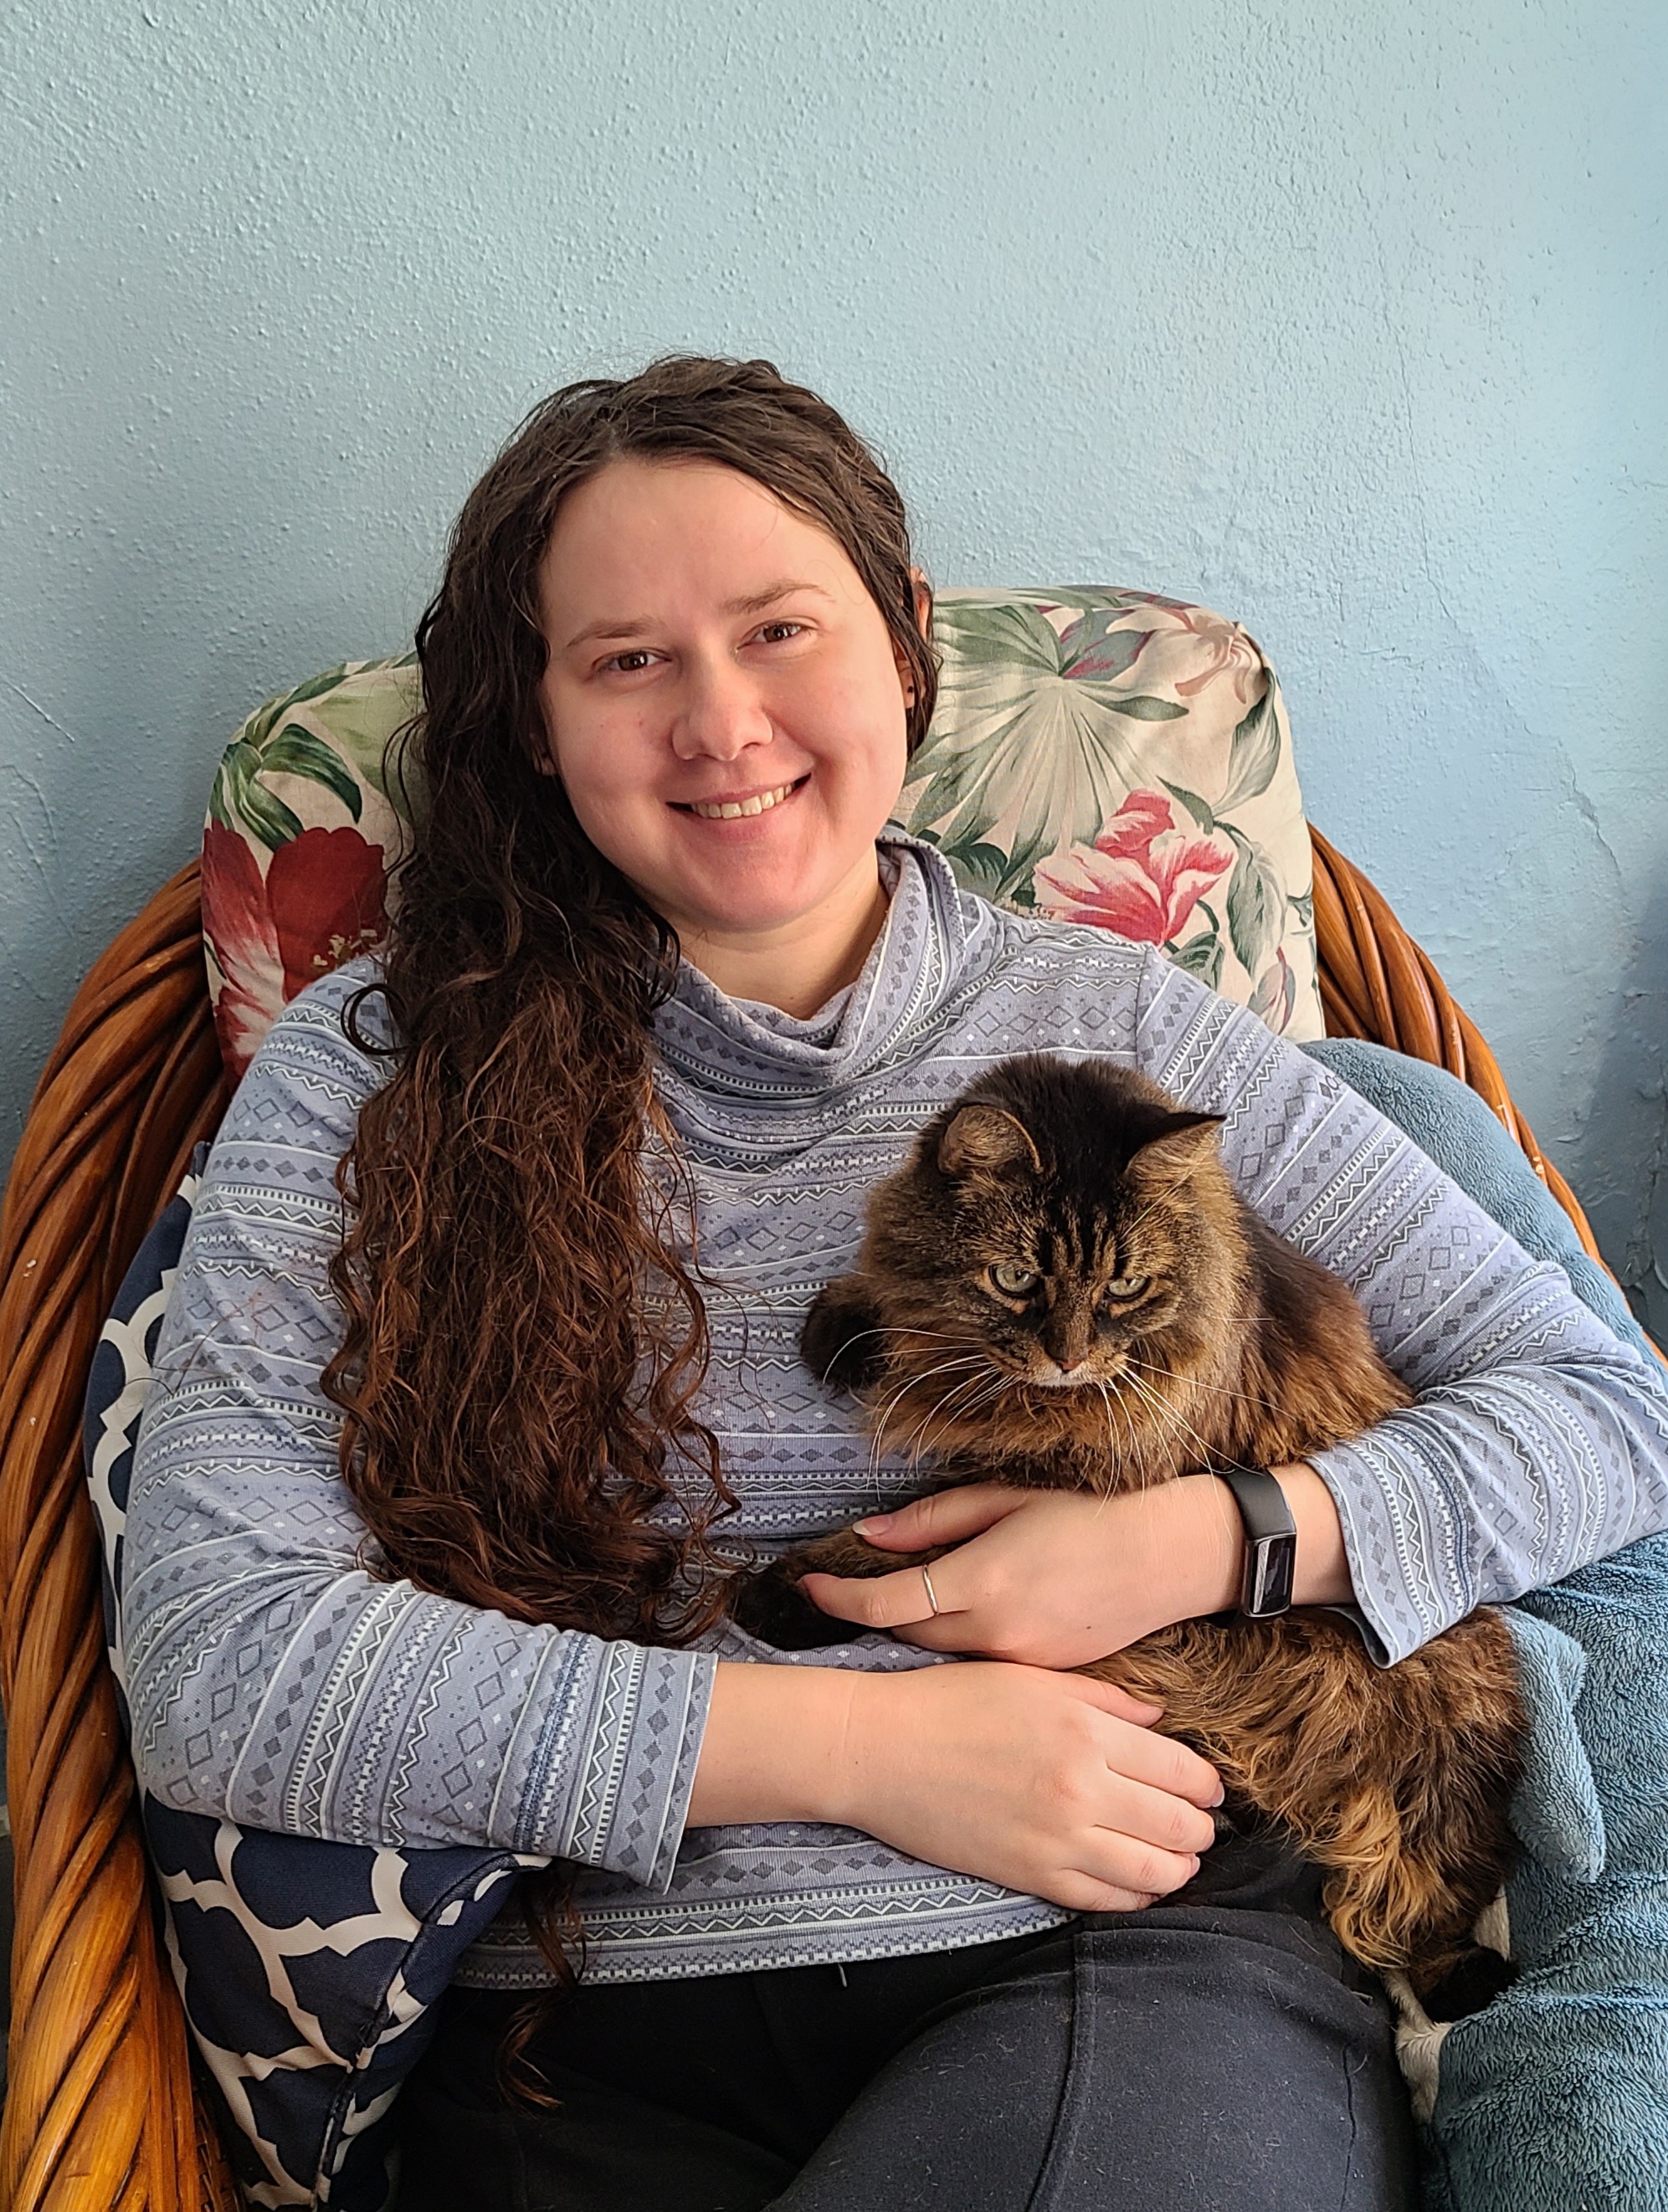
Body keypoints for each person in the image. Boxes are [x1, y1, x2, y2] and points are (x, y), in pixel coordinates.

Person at [126, 357, 1668, 2212]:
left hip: (1115, 1947)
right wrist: (857, 1746)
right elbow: (219, 1657)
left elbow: (1607, 1416)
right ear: (536, 719)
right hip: (577, 2021)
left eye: (782, 629)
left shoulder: (1113, 1031)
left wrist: (1204, 1543)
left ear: (905, 644)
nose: (720, 721)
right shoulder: (366, 1074)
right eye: (626, 660)